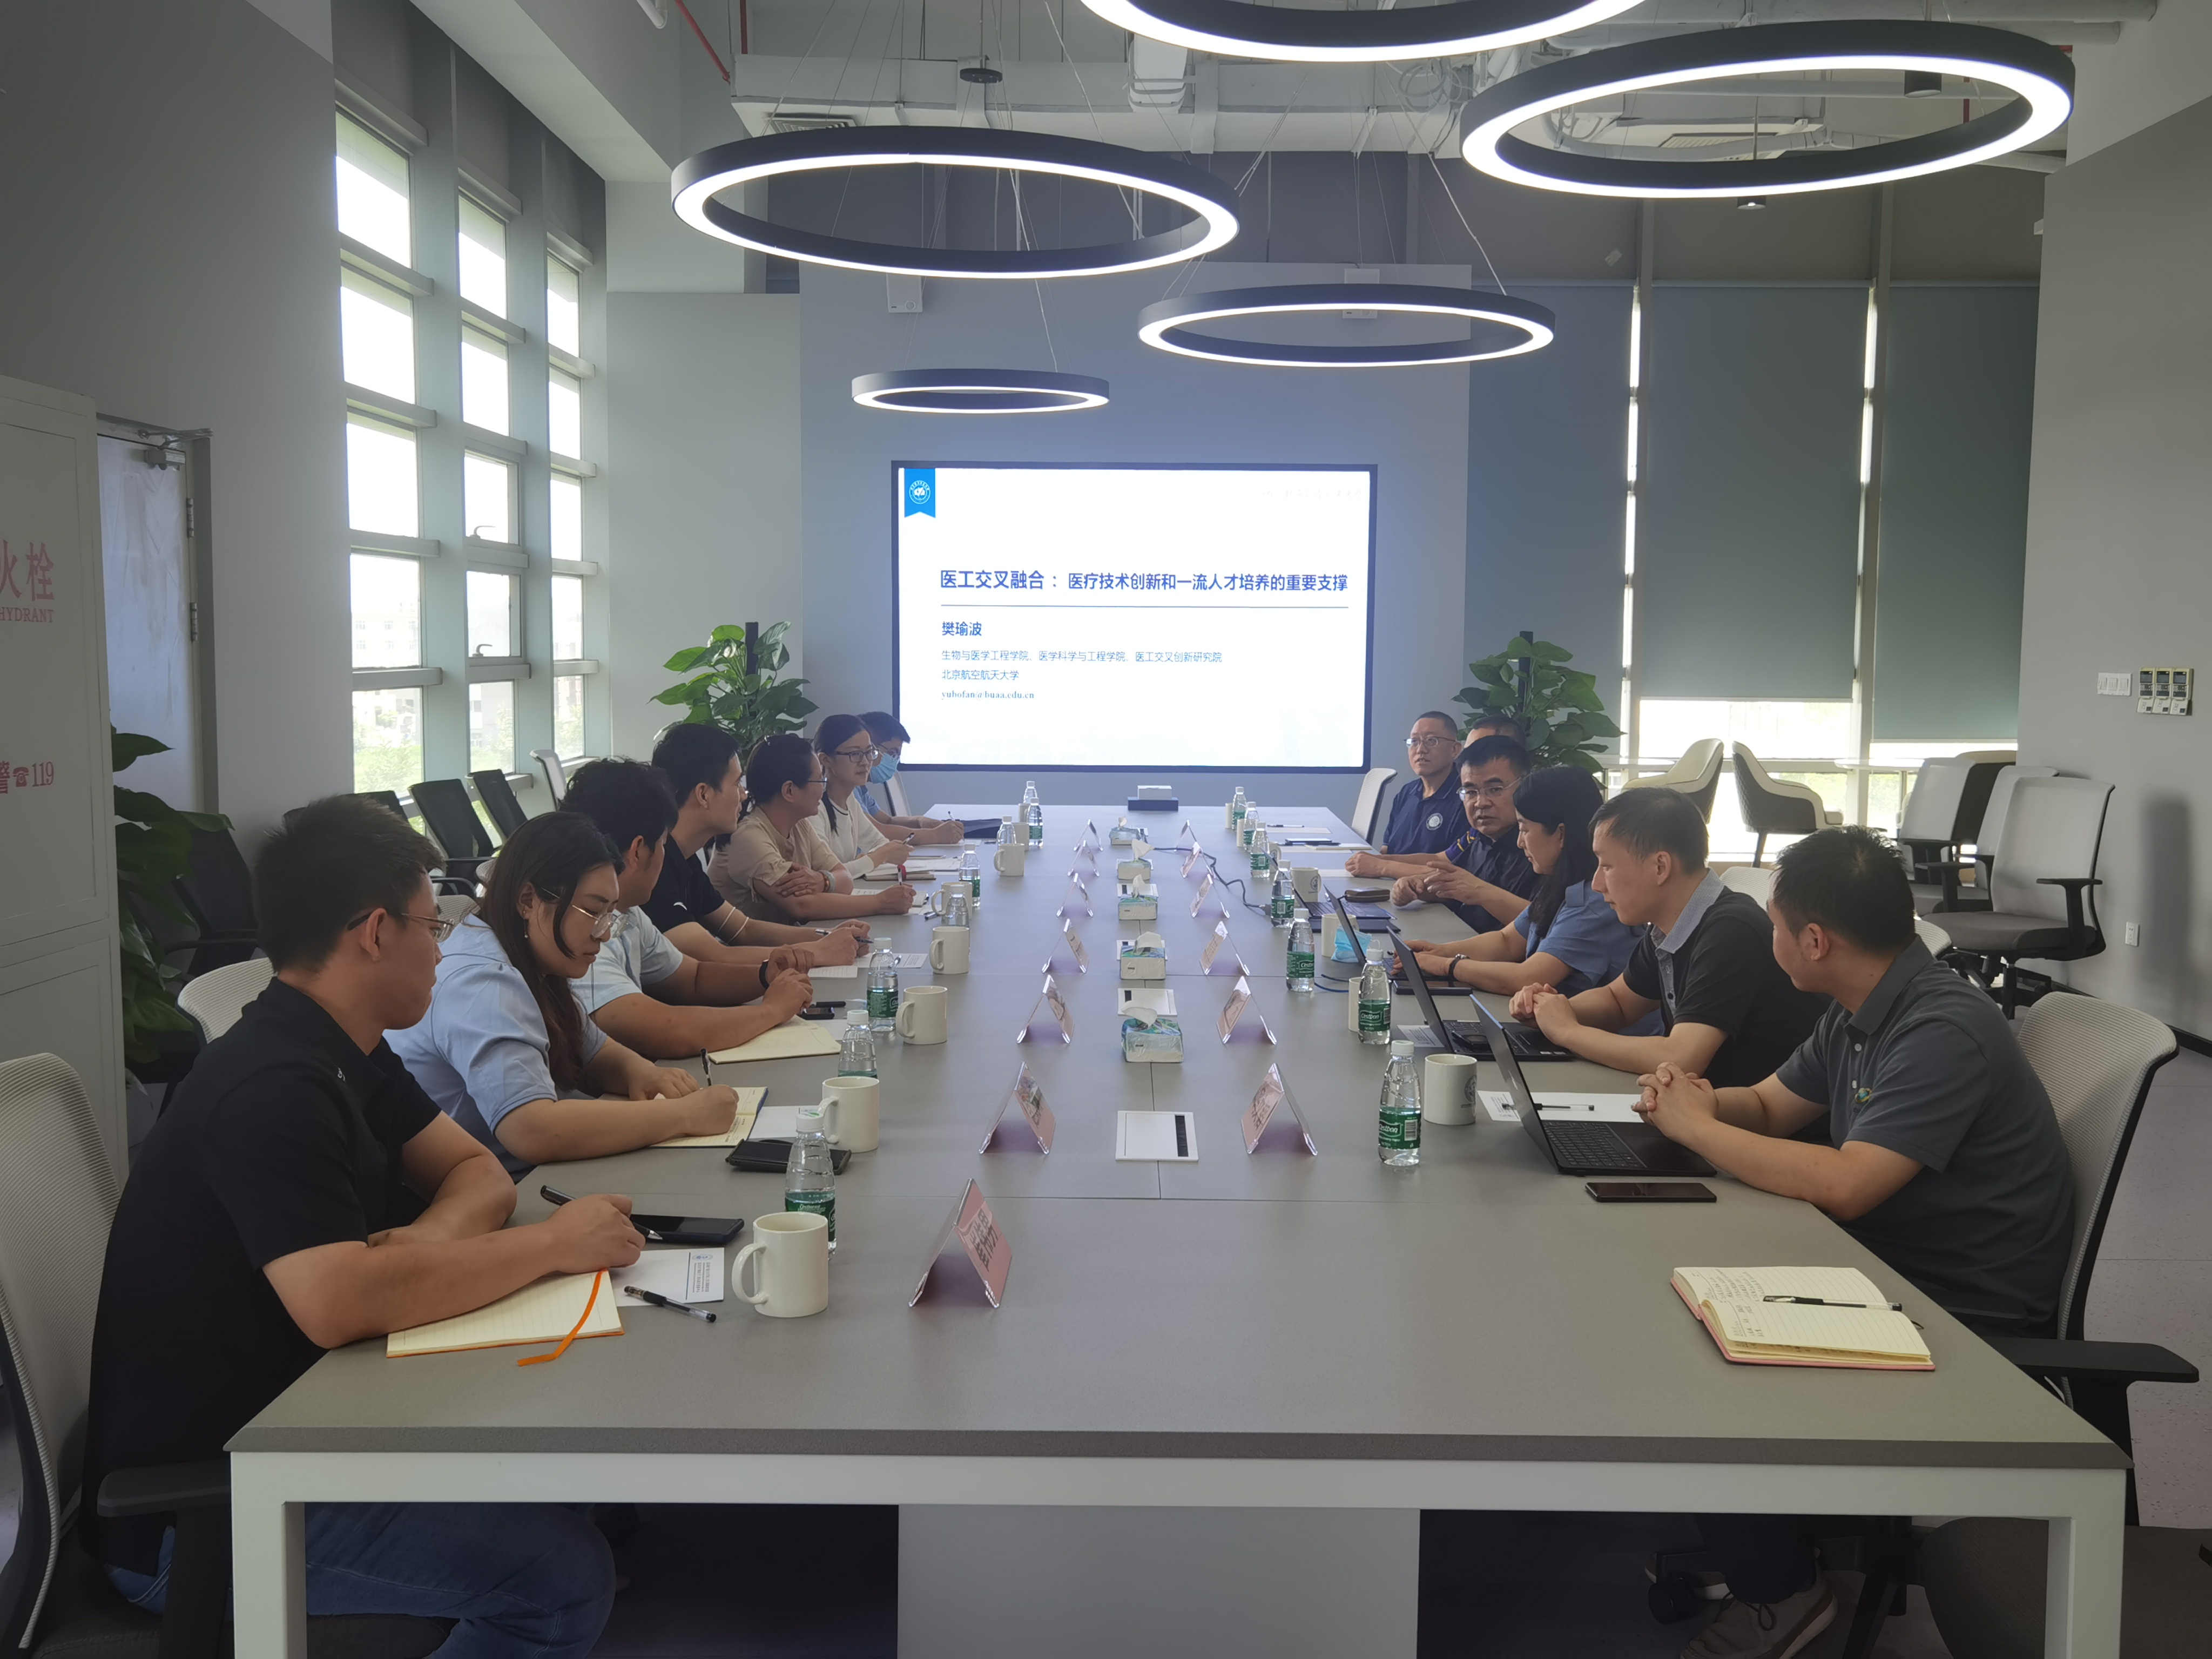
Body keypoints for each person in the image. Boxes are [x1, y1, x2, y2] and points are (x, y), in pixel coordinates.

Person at [84, 796, 639, 1653]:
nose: (443, 947)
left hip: (314, 1415)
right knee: (562, 1582)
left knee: (560, 1471)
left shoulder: (348, 1047)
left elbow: (476, 1171)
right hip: (208, 1504)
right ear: (376, 932)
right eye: (432, 924)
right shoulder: (270, 1089)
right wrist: (551, 1246)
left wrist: (425, 1244)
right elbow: (340, 1302)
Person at [1634, 827, 2074, 1659]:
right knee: (1671, 1285)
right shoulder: (1858, 1009)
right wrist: (1695, 1099)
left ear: (1813, 941)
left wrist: (1698, 1127)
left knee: (1693, 1361)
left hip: (1954, 1307)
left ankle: (1781, 1591)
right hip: (1878, 1264)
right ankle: (1766, 1537)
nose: (1768, 939)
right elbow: (1771, 1106)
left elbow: (1847, 1185)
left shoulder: (1941, 1026)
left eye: (1775, 925)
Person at [389, 810, 745, 1174]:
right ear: (528, 900)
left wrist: (641, 1073)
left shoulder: (528, 957)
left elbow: (591, 1051)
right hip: (496, 1185)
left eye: (610, 914)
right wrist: (682, 1115)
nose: (604, 933)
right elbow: (533, 1129)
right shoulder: (483, 984)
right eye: (593, 911)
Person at [1509, 786, 1827, 1087]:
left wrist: (1567, 1031)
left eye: (1607, 866)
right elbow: (1619, 1002)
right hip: (1707, 1106)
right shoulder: (1669, 926)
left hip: (1757, 1117)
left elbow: (1681, 1058)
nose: (1596, 884)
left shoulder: (1731, 931)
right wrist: (1551, 1010)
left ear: (1660, 867)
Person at [559, 758, 819, 1061]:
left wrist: (765, 974)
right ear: (639, 850)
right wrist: (771, 1010)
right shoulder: (583, 927)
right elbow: (667, 1032)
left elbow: (692, 978)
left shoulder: (627, 910)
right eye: (663, 843)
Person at [1404, 766, 1655, 1017]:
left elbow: (1526, 977)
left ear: (1561, 834)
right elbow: (1506, 941)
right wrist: (1436, 951)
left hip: (1596, 1038)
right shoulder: (1559, 884)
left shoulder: (1594, 902)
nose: (1520, 842)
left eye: (1524, 829)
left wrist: (1447, 966)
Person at [646, 721, 871, 969]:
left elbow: (744, 929)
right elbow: (714, 956)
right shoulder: (654, 868)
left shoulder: (686, 862)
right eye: (736, 784)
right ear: (704, 795)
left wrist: (829, 937)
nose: (744, 795)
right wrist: (819, 952)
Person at [709, 733, 918, 925]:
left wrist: (824, 881)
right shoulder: (748, 837)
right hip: (750, 950)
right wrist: (880, 903)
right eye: (820, 780)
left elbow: (845, 879)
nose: (823, 789)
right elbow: (802, 906)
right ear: (789, 791)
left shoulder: (800, 824)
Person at [1404, 734, 1540, 931]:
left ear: (1525, 785)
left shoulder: (1541, 844)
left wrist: (1480, 892)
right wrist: (1422, 888)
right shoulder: (1477, 837)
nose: (1480, 803)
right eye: (1471, 792)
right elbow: (1461, 893)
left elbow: (1547, 925)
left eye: (1495, 789)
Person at [1343, 711, 1469, 877]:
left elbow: (1453, 868)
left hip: (1432, 889)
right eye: (1414, 741)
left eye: (1431, 741)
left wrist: (1381, 866)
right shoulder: (1406, 793)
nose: (1421, 750)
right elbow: (1386, 850)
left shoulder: (1466, 799)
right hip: (1390, 884)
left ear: (1455, 750)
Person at [815, 714, 915, 877]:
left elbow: (880, 843)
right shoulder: (813, 808)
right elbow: (829, 876)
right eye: (855, 754)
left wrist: (869, 859)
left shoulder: (850, 800)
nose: (865, 762)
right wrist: (875, 858)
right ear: (826, 760)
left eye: (869, 752)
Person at [855, 710, 966, 844]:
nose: (894, 760)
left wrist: (920, 821)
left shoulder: (859, 788)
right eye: (892, 753)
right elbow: (875, 832)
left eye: (897, 756)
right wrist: (935, 836)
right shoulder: (847, 790)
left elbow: (887, 821)